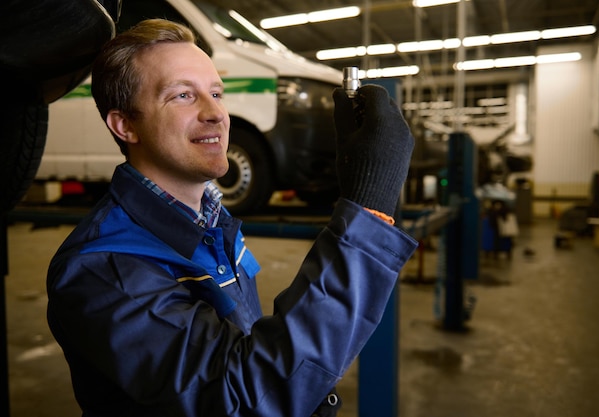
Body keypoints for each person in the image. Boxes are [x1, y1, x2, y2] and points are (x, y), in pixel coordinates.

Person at [46, 18, 417, 417]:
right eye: (184, 96)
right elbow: (238, 399)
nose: (217, 114)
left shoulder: (212, 223)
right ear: (125, 125)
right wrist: (368, 210)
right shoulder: (102, 269)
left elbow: (246, 349)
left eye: (217, 93)